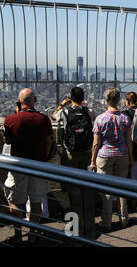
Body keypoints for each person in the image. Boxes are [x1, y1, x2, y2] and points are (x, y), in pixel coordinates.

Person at [3, 88, 53, 244]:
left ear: (19, 101)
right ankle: (32, 234)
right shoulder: (44, 120)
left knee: (15, 201)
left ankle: (18, 233)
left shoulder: (10, 120)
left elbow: (7, 141)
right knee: (36, 201)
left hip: (19, 166)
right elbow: (49, 142)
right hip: (38, 165)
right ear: (35, 100)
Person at [51, 86, 96, 238]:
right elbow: (94, 122)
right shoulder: (88, 112)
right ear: (83, 97)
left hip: (70, 154)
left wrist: (63, 104)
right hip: (86, 153)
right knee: (86, 190)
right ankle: (89, 227)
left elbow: (53, 116)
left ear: (71, 97)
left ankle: (75, 227)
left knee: (72, 191)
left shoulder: (65, 112)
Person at [91, 87, 133, 231]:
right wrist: (131, 158)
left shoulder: (100, 119)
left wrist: (92, 160)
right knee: (122, 189)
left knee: (106, 191)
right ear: (119, 100)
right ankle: (124, 219)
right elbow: (129, 141)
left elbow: (96, 143)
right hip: (122, 154)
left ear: (106, 100)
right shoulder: (125, 118)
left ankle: (106, 222)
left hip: (104, 155)